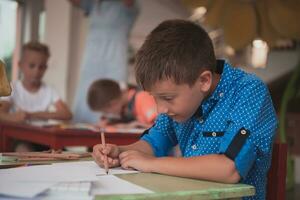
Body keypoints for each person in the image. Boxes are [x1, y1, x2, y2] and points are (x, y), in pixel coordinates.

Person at [92, 19, 278, 200]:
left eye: (167, 98)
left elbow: (229, 169)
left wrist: (152, 163)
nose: (160, 109)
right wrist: (120, 153)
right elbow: (155, 142)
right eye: (154, 98)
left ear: (203, 81)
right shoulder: (180, 103)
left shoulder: (248, 92)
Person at [69, 0, 139, 123]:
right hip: (91, 59)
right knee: (88, 100)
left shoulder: (126, 6)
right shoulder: (94, 4)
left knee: (112, 102)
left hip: (115, 59)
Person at [0, 41, 72, 151]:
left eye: (41, 67)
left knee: (64, 155)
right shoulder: (13, 88)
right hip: (20, 138)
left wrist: (31, 115)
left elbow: (67, 114)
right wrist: (13, 118)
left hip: (44, 139)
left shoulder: (49, 90)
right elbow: (1, 114)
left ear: (46, 68)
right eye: (32, 65)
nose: (37, 71)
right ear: (20, 65)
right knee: (24, 150)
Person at [87, 79, 157, 129]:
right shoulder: (126, 107)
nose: (107, 114)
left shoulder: (142, 97)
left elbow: (161, 126)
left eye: (106, 112)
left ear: (112, 104)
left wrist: (131, 126)